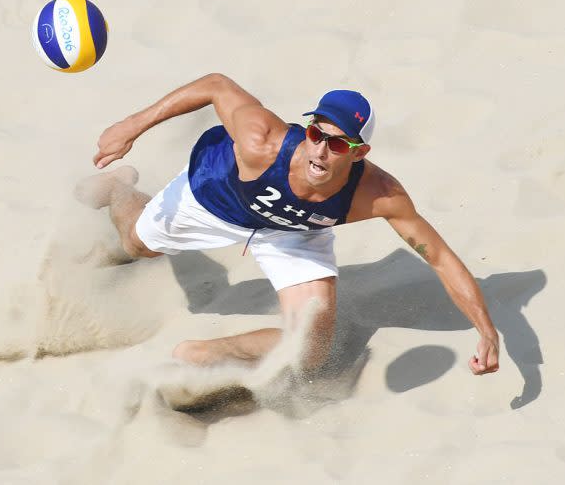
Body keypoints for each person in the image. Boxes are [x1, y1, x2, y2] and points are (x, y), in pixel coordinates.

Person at [78, 73, 500, 375]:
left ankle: (201, 354)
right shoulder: (262, 142)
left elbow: (439, 257)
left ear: (359, 152)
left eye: (337, 144)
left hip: (292, 231)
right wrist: (132, 126)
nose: (321, 150)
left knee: (311, 350)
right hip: (216, 195)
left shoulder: (378, 194)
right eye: (317, 134)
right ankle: (119, 188)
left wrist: (487, 331)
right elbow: (216, 85)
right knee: (137, 246)